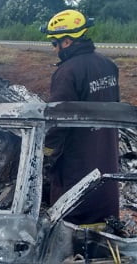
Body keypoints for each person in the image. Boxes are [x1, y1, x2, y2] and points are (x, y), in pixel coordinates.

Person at [41, 9, 120, 225]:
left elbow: (58, 119)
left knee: (74, 200)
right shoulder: (108, 64)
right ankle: (106, 232)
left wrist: (47, 151)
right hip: (106, 145)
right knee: (105, 186)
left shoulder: (67, 71)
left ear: (66, 42)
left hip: (77, 153)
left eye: (54, 43)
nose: (54, 48)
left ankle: (73, 239)